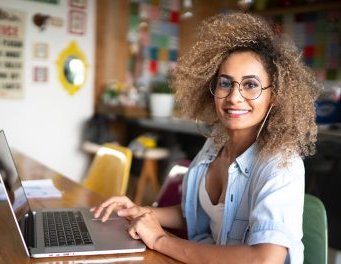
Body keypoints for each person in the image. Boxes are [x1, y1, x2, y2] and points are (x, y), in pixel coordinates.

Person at [91, 13, 321, 263]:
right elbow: (197, 212)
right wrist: (142, 211)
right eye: (226, 83)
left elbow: (265, 259)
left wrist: (161, 240)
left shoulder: (281, 165)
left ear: (274, 96)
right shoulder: (215, 144)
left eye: (251, 85)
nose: (234, 97)